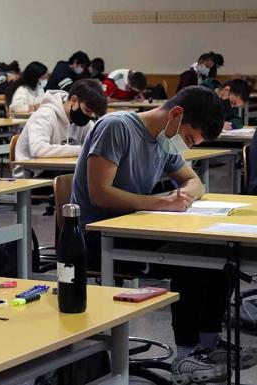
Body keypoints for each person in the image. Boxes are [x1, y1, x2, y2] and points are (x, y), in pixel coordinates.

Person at [72, 86, 257, 384]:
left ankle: (207, 346)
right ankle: (186, 354)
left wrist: (182, 195)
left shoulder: (163, 140)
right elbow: (99, 194)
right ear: (176, 115)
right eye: (188, 138)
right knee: (193, 256)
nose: (186, 146)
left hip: (135, 228)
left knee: (223, 251)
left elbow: (195, 182)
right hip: (98, 236)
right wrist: (159, 203)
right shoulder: (116, 127)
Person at [14, 79, 107, 176]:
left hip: (64, 170)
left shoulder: (85, 122)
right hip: (33, 174)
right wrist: (81, 150)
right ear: (74, 100)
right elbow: (38, 150)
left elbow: (97, 145)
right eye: (87, 110)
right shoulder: (44, 115)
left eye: (93, 114)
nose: (90, 116)